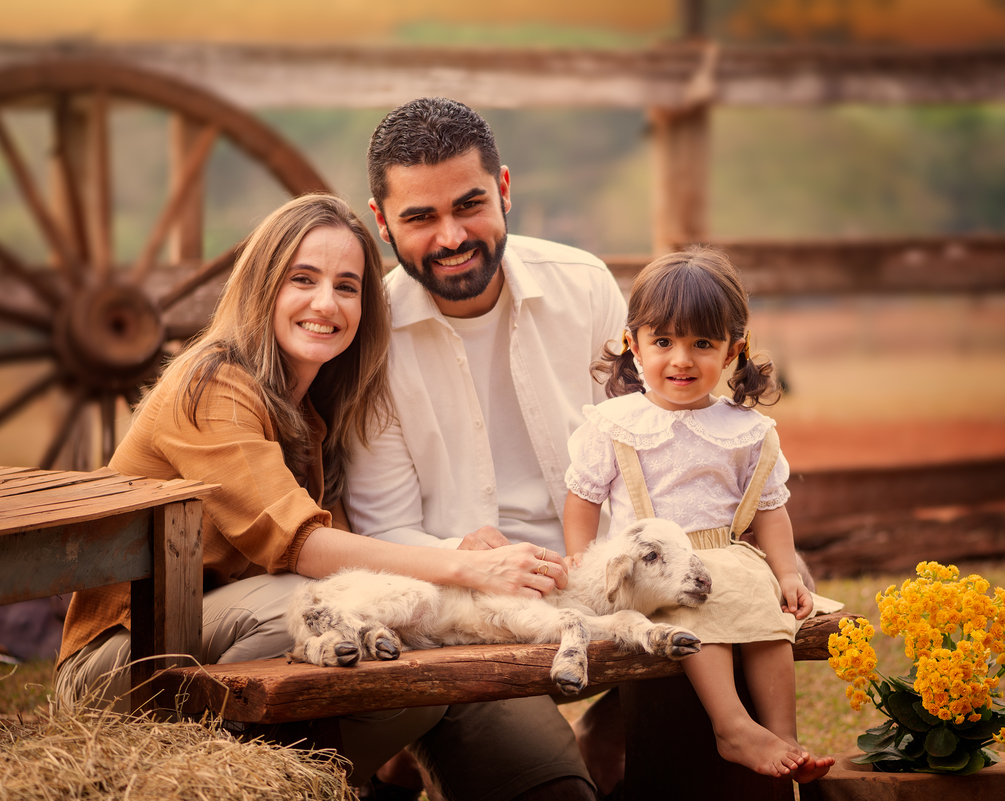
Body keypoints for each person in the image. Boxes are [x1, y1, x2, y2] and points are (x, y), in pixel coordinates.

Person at [55, 193, 569, 791]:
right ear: (263, 285)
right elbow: (303, 546)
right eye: (303, 279)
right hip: (126, 664)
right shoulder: (211, 386)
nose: (326, 303)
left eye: (347, 287)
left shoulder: (312, 412)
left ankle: (525, 785)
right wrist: (462, 569)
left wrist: (465, 554)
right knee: (327, 602)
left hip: (219, 642)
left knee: (417, 633)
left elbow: (352, 541)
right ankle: (257, 782)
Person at [345, 96, 627, 800]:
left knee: (716, 740)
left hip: (602, 583)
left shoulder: (586, 286)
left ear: (504, 189)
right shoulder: (368, 344)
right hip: (464, 621)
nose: (450, 237)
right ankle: (406, 759)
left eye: (469, 205)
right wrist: (467, 561)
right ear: (382, 222)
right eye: (419, 217)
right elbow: (383, 526)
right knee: (555, 792)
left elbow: (645, 453)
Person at [562, 247, 843, 784]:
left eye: (702, 344)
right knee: (695, 605)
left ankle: (783, 733)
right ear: (634, 344)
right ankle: (732, 724)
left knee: (765, 614)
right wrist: (582, 559)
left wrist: (785, 572)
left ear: (733, 350)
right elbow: (583, 499)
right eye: (663, 342)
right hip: (651, 565)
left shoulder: (743, 429)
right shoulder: (617, 423)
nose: (682, 360)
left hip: (729, 554)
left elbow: (770, 510)